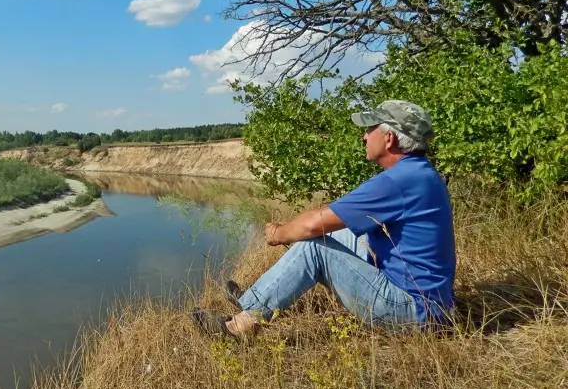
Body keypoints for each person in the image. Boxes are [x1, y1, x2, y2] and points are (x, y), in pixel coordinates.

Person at [191, 100, 456, 338]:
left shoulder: (398, 181)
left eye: (370, 129)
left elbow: (312, 224)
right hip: (428, 305)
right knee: (343, 234)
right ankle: (254, 299)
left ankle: (237, 330)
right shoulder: (419, 174)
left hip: (413, 312)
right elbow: (337, 220)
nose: (364, 136)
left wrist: (278, 234)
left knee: (314, 246)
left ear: (388, 139)